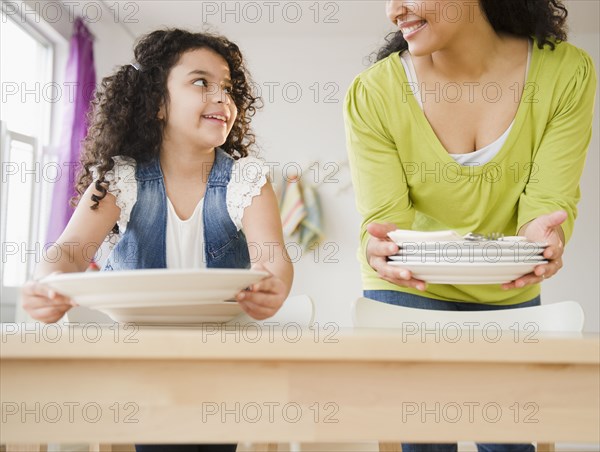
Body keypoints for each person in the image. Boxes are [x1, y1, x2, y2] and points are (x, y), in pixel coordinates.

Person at [22, 28, 294, 452]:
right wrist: (47, 283)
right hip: (138, 360)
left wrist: (271, 286)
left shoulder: (247, 179)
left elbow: (272, 260)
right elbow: (68, 253)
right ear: (158, 102)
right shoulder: (120, 178)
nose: (221, 97)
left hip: (222, 361)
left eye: (228, 87)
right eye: (201, 82)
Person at [344, 1, 596, 451]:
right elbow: (383, 223)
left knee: (508, 441)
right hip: (409, 282)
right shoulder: (375, 92)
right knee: (426, 438)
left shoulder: (565, 72)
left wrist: (546, 235)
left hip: (507, 279)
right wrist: (374, 247)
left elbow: (548, 202)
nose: (393, 9)